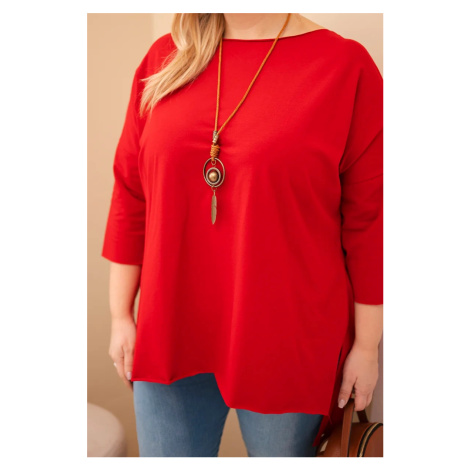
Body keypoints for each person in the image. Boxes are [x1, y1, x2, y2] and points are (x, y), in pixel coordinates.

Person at [102, 13, 383, 457]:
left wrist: (367, 347)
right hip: (169, 326)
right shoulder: (165, 57)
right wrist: (120, 314)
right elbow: (131, 191)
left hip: (288, 339)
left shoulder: (344, 67)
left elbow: (371, 221)